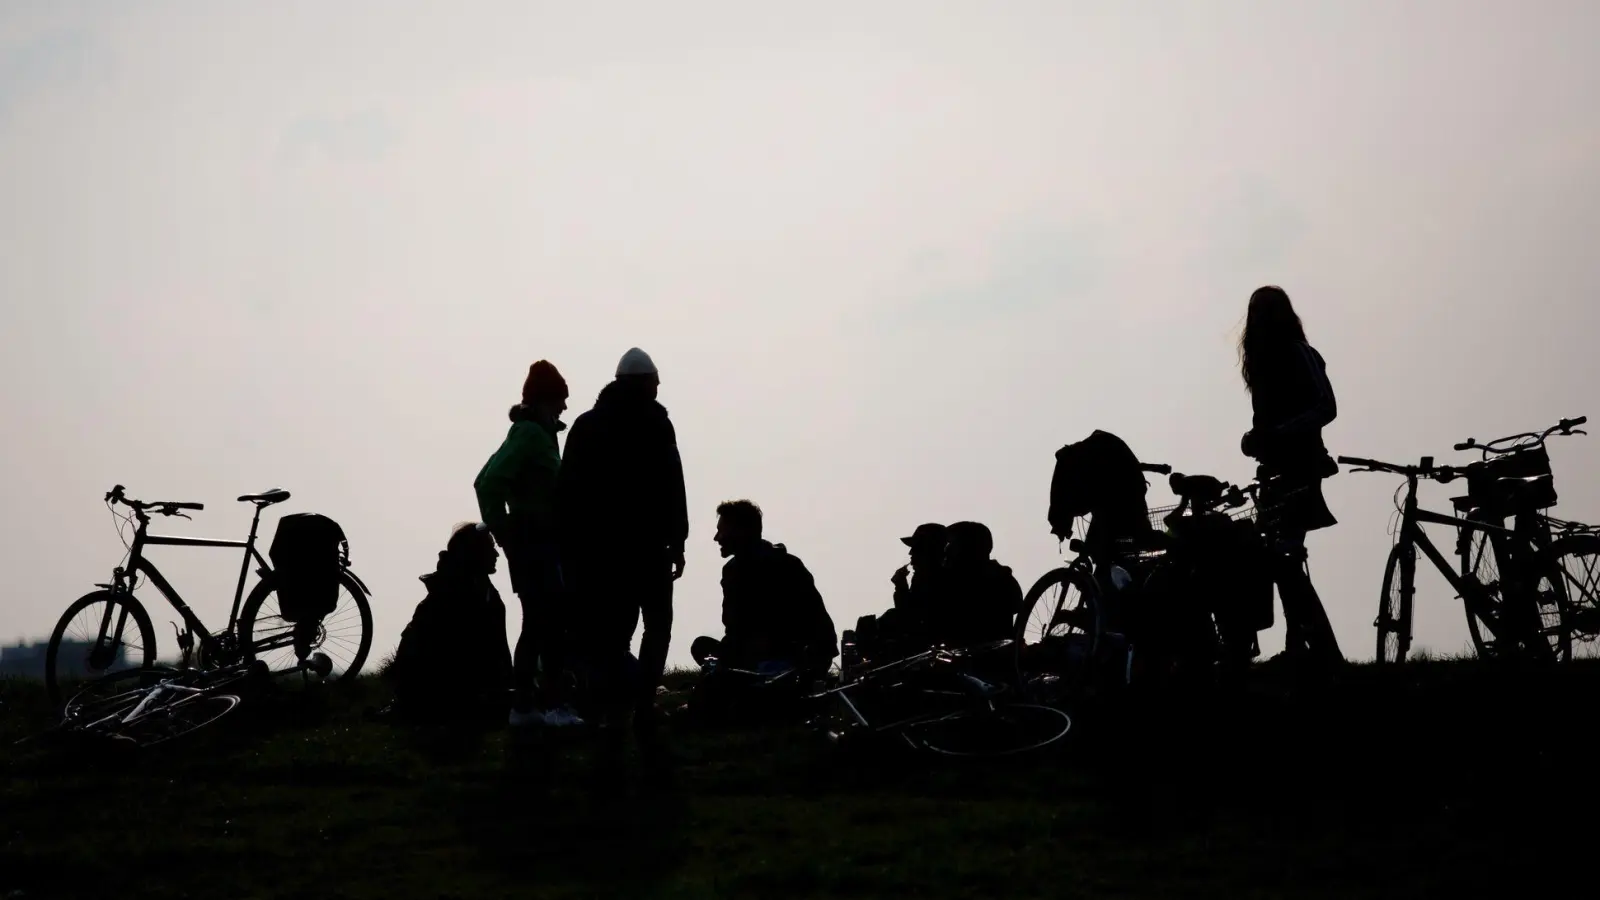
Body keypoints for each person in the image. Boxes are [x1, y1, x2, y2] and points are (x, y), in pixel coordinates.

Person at [556, 347, 688, 730]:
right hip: (648, 548)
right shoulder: (657, 424)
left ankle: (608, 707)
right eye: (656, 381)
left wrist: (572, 549)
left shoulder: (586, 425)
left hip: (600, 552)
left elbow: (568, 493)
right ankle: (643, 703)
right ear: (646, 383)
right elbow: (672, 485)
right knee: (657, 624)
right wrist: (677, 539)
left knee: (611, 633)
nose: (659, 387)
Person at [1237, 285, 1345, 675]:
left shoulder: (1299, 354)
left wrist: (1279, 434)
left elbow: (1326, 407)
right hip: (1274, 471)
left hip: (1300, 468)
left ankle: (1316, 649)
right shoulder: (1264, 363)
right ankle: (1300, 646)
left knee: (1285, 555)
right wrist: (1254, 439)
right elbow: (1265, 424)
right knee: (1280, 558)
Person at [473, 359, 584, 728]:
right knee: (547, 622)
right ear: (542, 401)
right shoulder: (530, 434)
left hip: (538, 541)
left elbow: (485, 477)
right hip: (533, 542)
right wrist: (504, 531)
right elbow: (487, 483)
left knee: (538, 622)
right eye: (559, 400)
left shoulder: (535, 432)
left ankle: (526, 706)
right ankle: (550, 705)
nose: (565, 407)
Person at [683, 500, 837, 722]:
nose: (717, 538)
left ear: (741, 531)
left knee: (716, 669)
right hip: (792, 658)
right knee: (703, 647)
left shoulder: (740, 571)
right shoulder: (786, 562)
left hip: (783, 660)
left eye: (721, 530)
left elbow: (739, 631)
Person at [384, 523, 513, 725]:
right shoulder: (459, 595)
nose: (497, 554)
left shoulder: (473, 588)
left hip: (440, 691)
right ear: (475, 553)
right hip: (439, 694)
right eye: (490, 548)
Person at [926, 521, 1023, 648]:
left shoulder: (963, 580)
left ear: (967, 548)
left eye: (952, 544)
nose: (946, 550)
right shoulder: (1000, 575)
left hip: (982, 657)